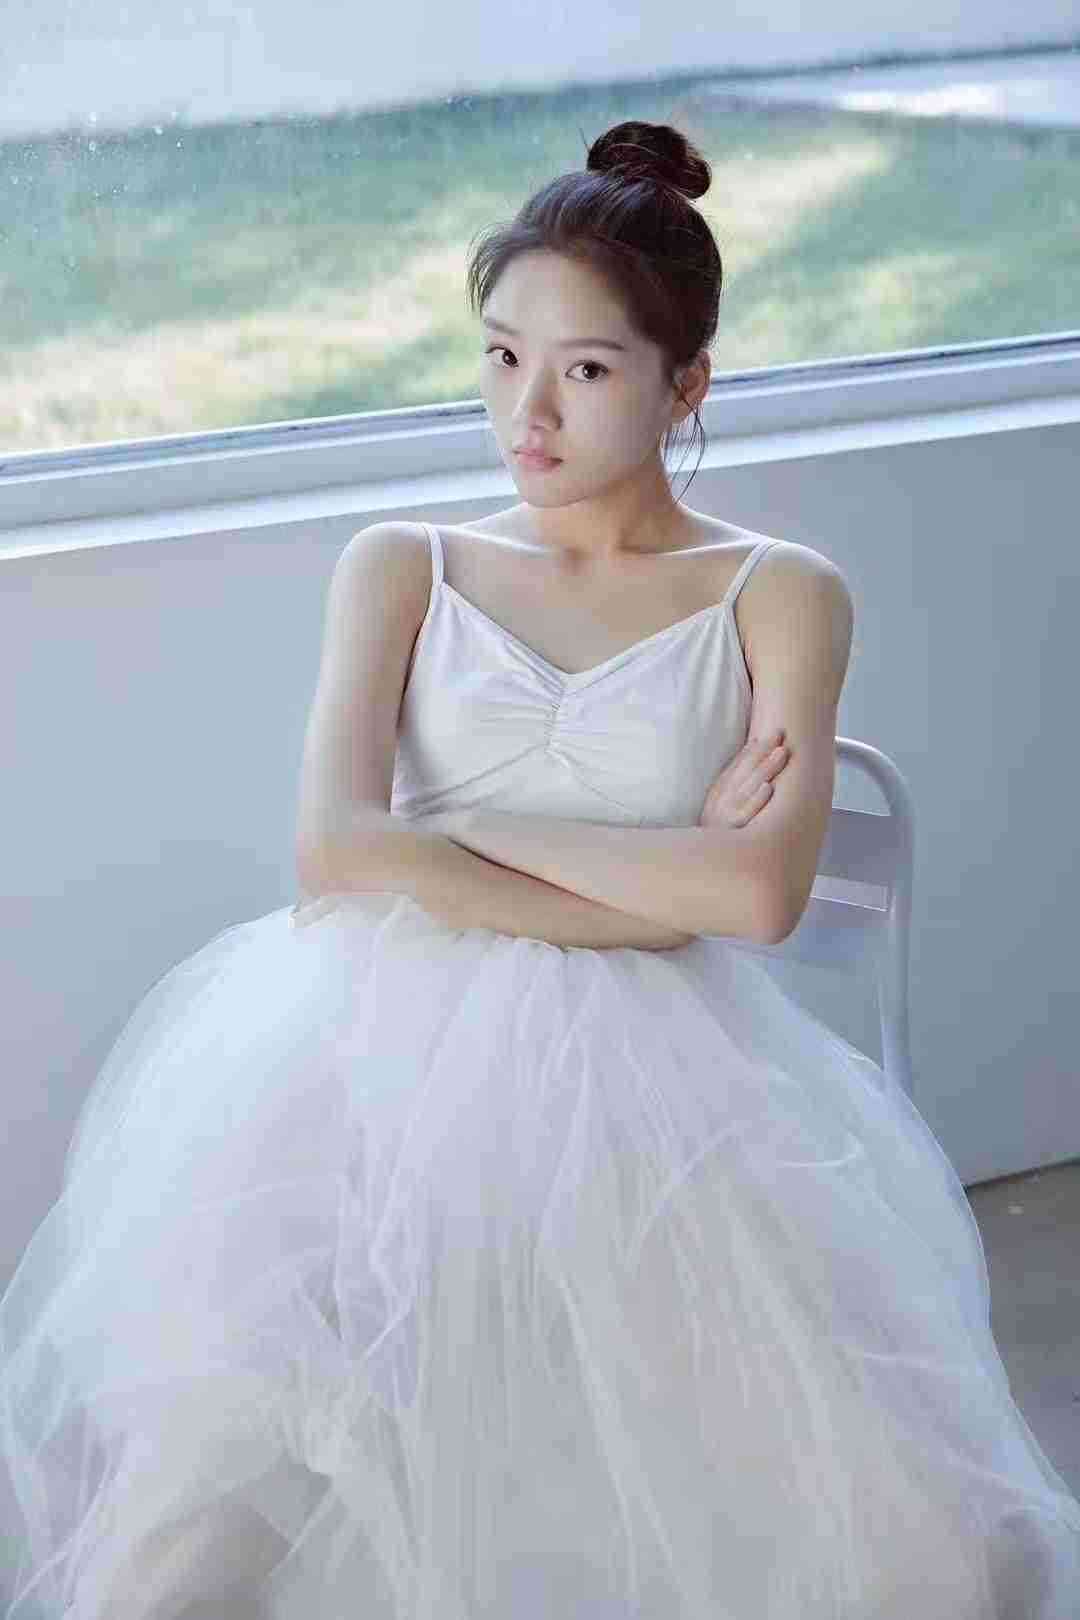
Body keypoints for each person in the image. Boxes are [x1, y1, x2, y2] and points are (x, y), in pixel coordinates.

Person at [2, 119, 1078, 1620]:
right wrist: (657, 872)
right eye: (504, 357)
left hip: (665, 1081)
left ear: (686, 385)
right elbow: (334, 852)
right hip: (360, 1066)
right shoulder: (403, 563)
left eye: (586, 369)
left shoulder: (780, 594)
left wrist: (455, 833)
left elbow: (756, 902)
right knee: (211, 1526)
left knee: (951, 1558)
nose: (529, 411)